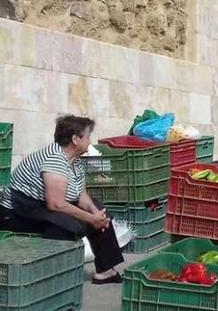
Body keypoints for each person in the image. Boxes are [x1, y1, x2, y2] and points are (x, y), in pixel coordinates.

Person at [0, 115, 125, 284]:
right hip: (16, 212)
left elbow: (80, 194)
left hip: (42, 206)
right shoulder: (54, 159)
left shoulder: (75, 161)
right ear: (75, 139)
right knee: (65, 225)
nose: (90, 141)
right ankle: (56, 278)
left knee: (97, 207)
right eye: (87, 136)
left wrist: (96, 214)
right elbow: (56, 203)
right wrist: (91, 219)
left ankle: (106, 270)